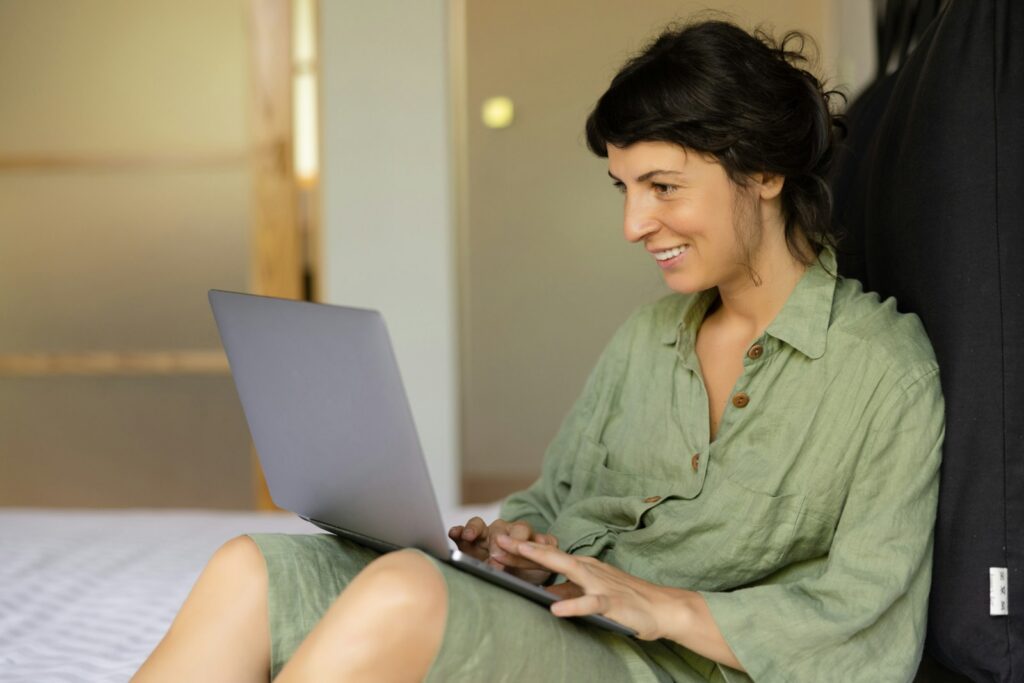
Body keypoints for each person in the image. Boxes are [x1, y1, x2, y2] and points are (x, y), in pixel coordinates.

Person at [133, 19, 944, 683]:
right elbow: (554, 496)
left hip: (666, 664)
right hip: (561, 617)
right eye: (624, 189)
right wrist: (518, 546)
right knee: (253, 568)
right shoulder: (648, 337)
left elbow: (867, 630)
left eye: (662, 187)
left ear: (763, 173)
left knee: (407, 592)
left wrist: (660, 604)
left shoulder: (882, 370)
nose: (634, 225)